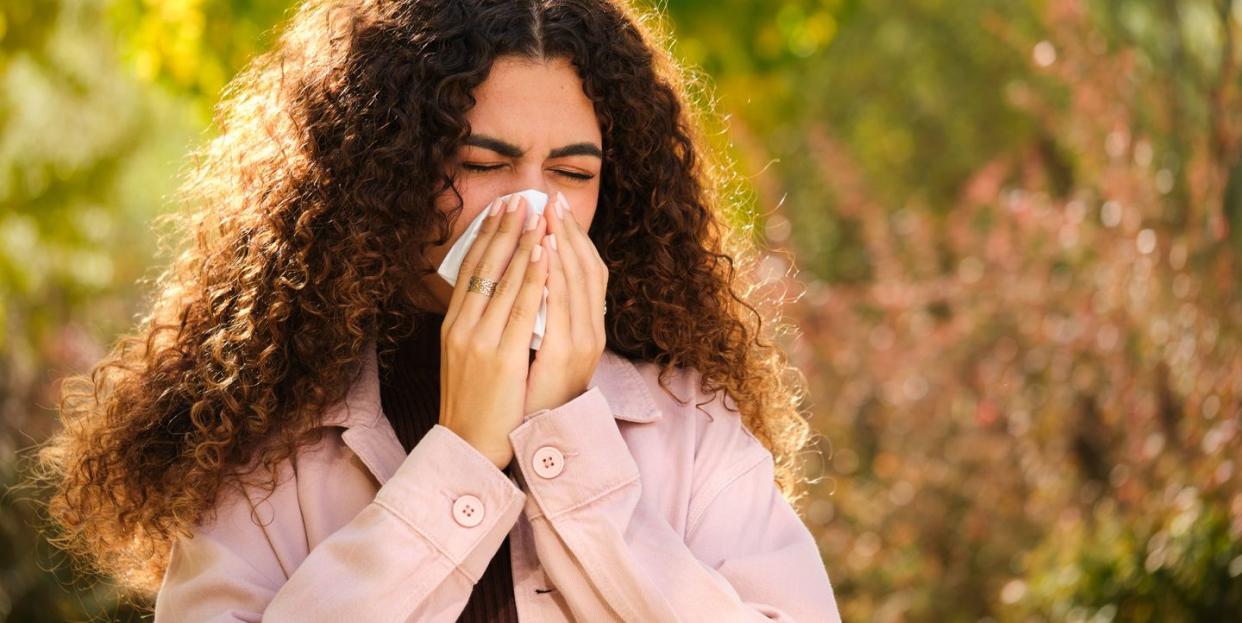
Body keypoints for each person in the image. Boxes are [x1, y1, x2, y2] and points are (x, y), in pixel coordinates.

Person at [33, 0, 843, 620]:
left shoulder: (689, 427)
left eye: (571, 172)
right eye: (483, 162)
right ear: (384, 175)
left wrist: (570, 433)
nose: (531, 206)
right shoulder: (269, 457)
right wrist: (458, 456)